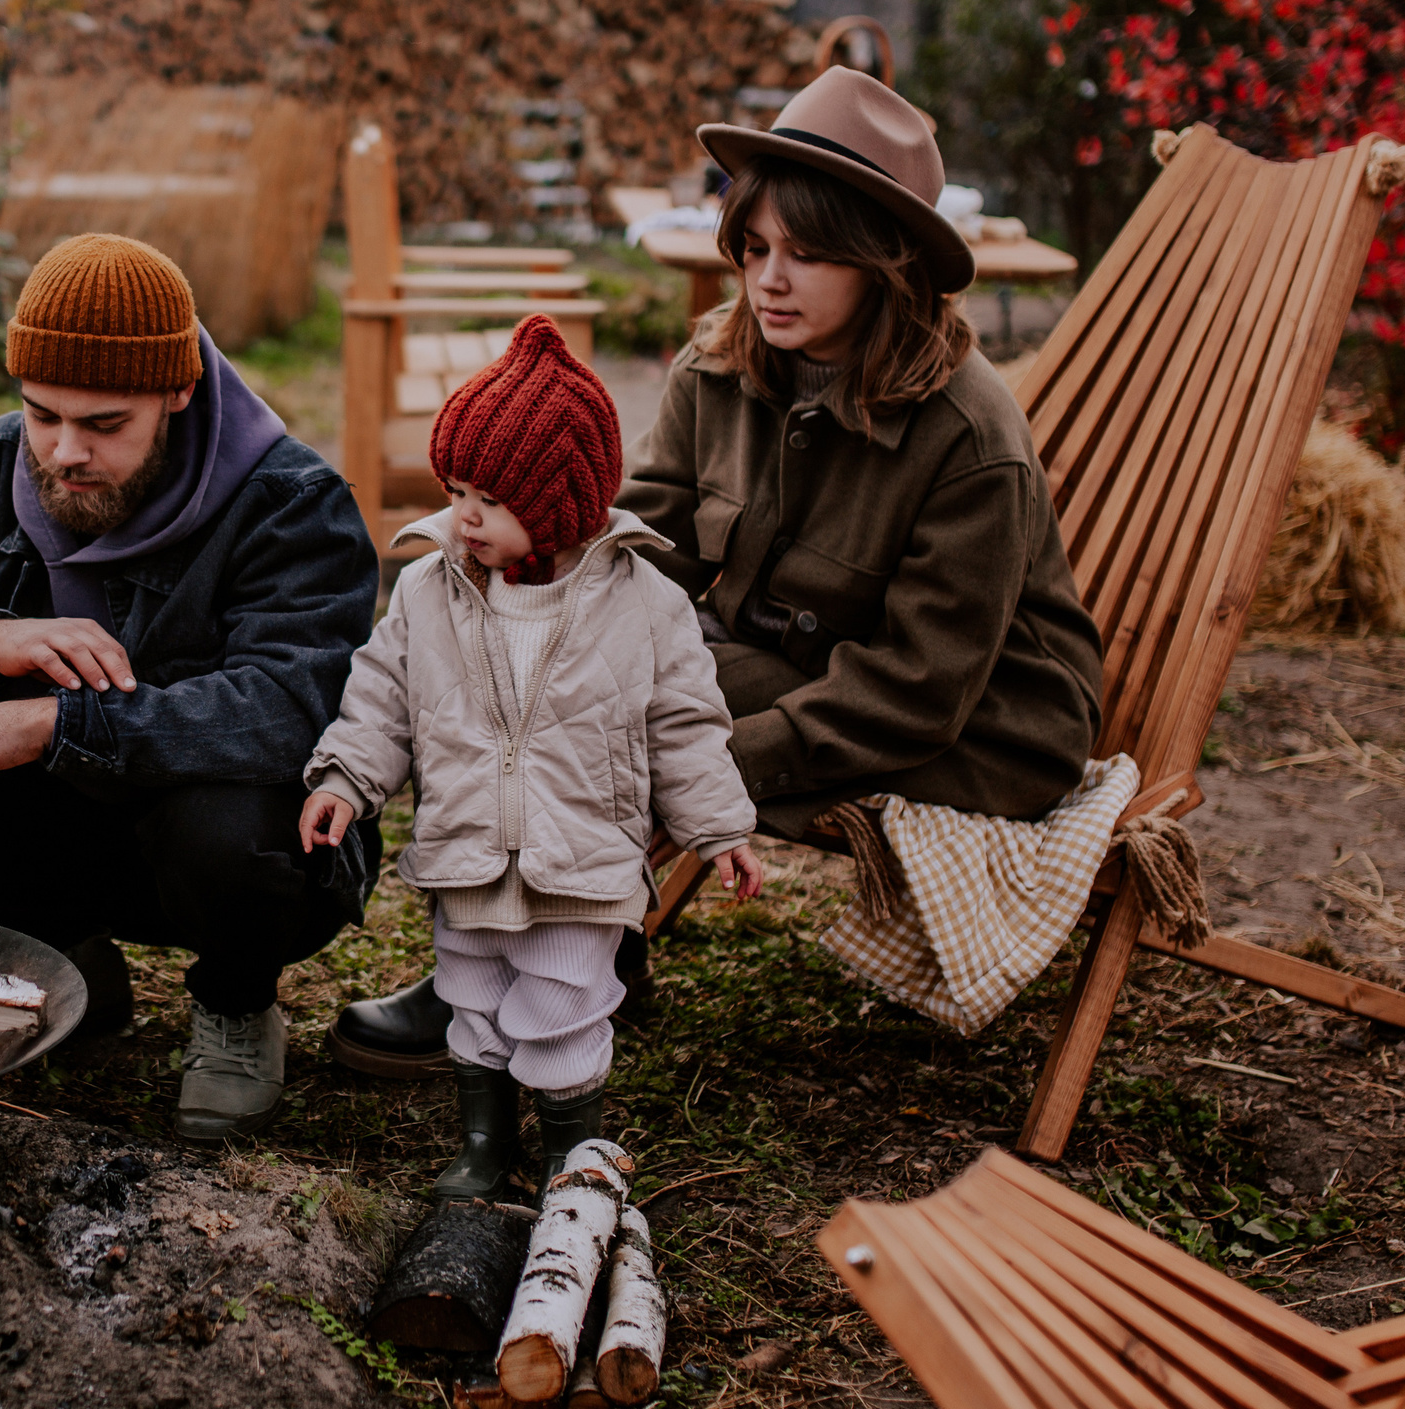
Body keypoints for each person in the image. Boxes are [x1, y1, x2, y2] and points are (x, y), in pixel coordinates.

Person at [328, 67, 1103, 1076]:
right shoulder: (721, 363)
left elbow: (919, 685)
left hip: (979, 723)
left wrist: (714, 762)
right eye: (754, 248)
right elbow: (648, 540)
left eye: (809, 255)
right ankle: (554, 957)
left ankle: (524, 985)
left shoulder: (966, 437)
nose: (768, 280)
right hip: (796, 661)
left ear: (890, 264)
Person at [0, 232, 382, 1143]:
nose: (64, 451)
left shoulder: (291, 501)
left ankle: (234, 999)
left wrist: (60, 721)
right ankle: (61, 956)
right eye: (42, 414)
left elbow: (288, 710)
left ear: (178, 392)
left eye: (104, 425)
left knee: (235, 834)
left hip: (206, 843)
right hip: (57, 828)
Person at [298, 317, 764, 1197]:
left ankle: (566, 1149)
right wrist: (347, 777)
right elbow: (383, 695)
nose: (462, 514)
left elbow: (687, 722)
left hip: (578, 858)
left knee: (561, 1007)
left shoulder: (643, 604)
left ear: (557, 507)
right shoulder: (430, 589)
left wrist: (719, 826)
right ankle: (485, 1140)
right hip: (469, 847)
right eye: (457, 486)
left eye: (490, 499)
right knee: (471, 1002)